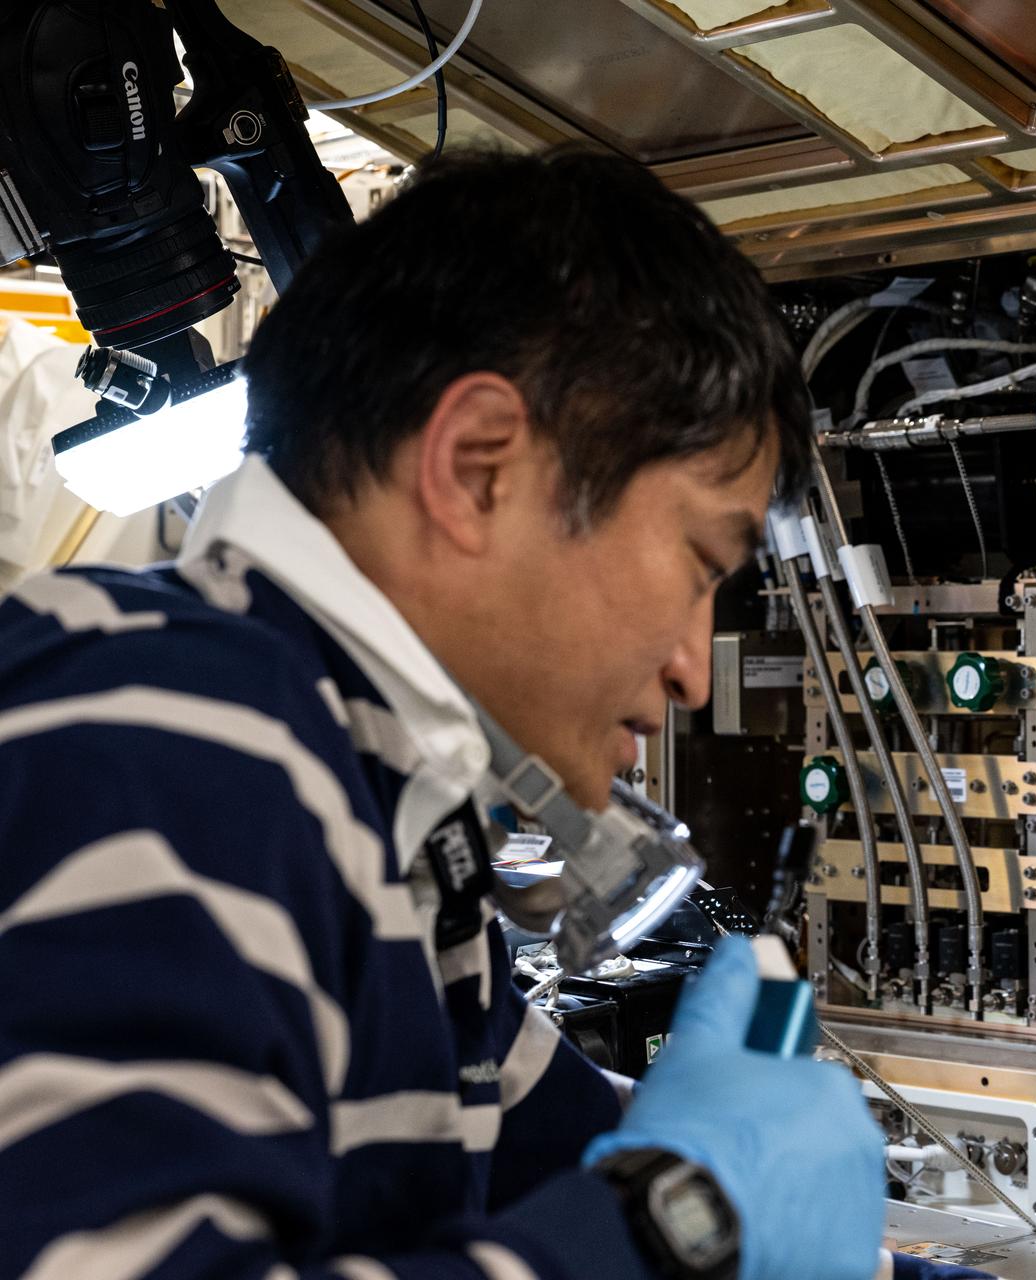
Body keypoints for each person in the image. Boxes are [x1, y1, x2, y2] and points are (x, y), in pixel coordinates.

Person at [0, 149, 925, 1280]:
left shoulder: (394, 826)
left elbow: (552, 1161)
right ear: (479, 466)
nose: (694, 669)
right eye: (698, 560)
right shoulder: (167, 729)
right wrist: (685, 1218)